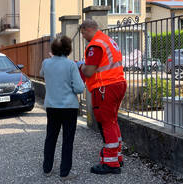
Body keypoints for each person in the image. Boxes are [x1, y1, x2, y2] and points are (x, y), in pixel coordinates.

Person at [78, 19, 127, 175]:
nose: (82, 35)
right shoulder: (108, 41)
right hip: (117, 84)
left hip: (104, 87)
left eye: (82, 32)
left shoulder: (95, 44)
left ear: (87, 29)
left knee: (106, 123)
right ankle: (117, 156)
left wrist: (80, 66)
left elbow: (89, 71)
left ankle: (111, 163)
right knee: (112, 122)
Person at [40, 36, 85, 179]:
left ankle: (47, 169)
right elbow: (79, 88)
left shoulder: (46, 63)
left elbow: (42, 74)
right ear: (68, 49)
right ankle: (64, 172)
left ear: (53, 49)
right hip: (69, 107)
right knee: (67, 139)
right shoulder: (71, 65)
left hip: (51, 106)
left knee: (51, 137)